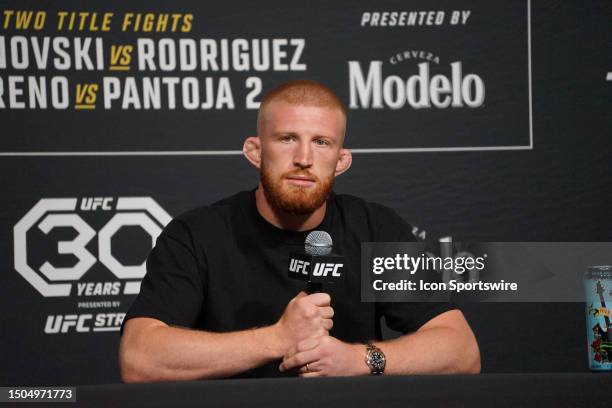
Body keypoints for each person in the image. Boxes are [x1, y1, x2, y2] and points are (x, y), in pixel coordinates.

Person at [119, 80, 480, 382]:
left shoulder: (374, 228)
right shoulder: (197, 234)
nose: (304, 158)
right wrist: (277, 338)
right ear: (255, 151)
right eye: (287, 138)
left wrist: (359, 360)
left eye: (321, 142)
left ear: (341, 161)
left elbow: (461, 351)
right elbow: (140, 359)